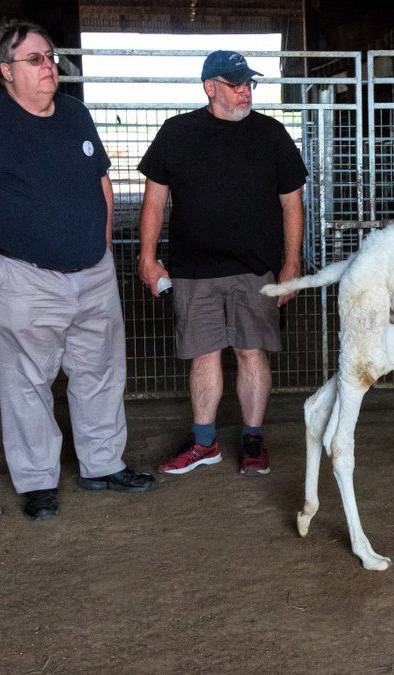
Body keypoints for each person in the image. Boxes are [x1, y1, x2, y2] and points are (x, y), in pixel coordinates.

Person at [0, 19, 154, 521]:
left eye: (50, 56)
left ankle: (102, 465)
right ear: (6, 71)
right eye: (35, 59)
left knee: (100, 374)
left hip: (93, 273)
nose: (49, 66)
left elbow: (101, 181)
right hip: (24, 278)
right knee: (27, 383)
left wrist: (104, 240)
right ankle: (37, 482)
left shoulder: (74, 113)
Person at [137, 50, 308, 477]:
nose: (246, 89)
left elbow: (292, 204)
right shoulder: (177, 133)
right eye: (236, 83)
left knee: (252, 352)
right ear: (210, 87)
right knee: (204, 353)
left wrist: (291, 266)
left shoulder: (271, 134)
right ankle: (204, 442)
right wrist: (147, 257)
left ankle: (253, 440)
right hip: (193, 269)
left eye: (249, 82)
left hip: (255, 268)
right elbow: (154, 201)